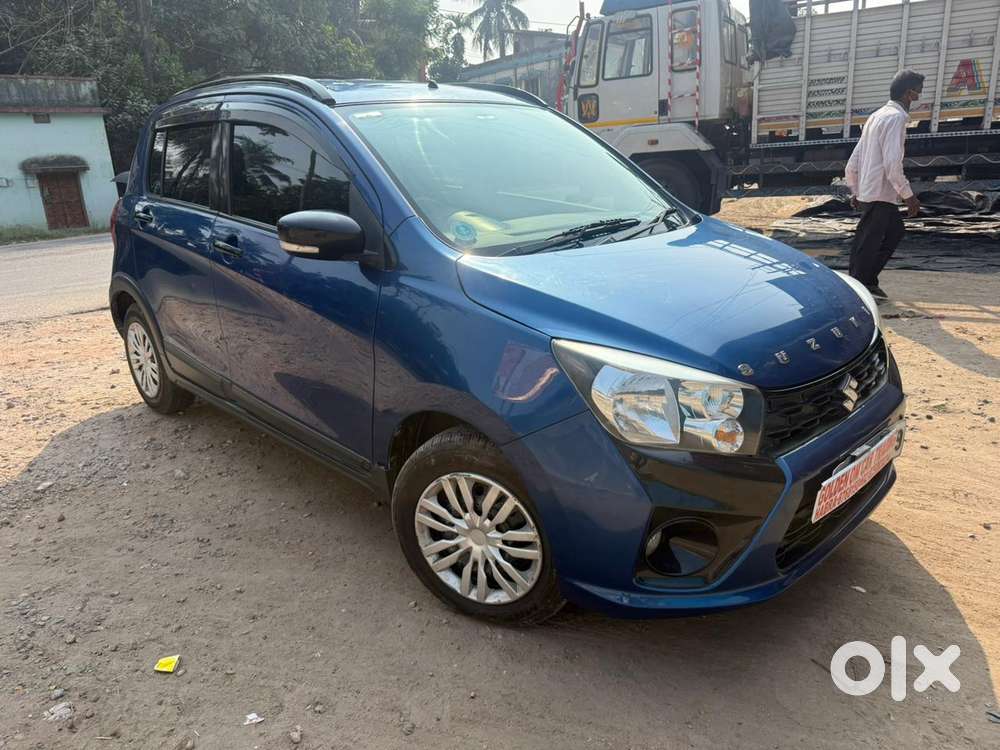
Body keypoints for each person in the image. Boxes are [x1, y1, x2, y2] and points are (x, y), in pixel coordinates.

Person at [844, 69, 924, 301]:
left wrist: (856, 189)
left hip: (873, 192)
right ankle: (861, 284)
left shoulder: (876, 116)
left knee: (881, 235)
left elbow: (854, 160)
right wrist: (908, 195)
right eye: (918, 93)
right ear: (908, 94)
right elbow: (892, 163)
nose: (918, 99)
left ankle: (865, 280)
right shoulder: (896, 118)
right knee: (871, 240)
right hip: (881, 193)